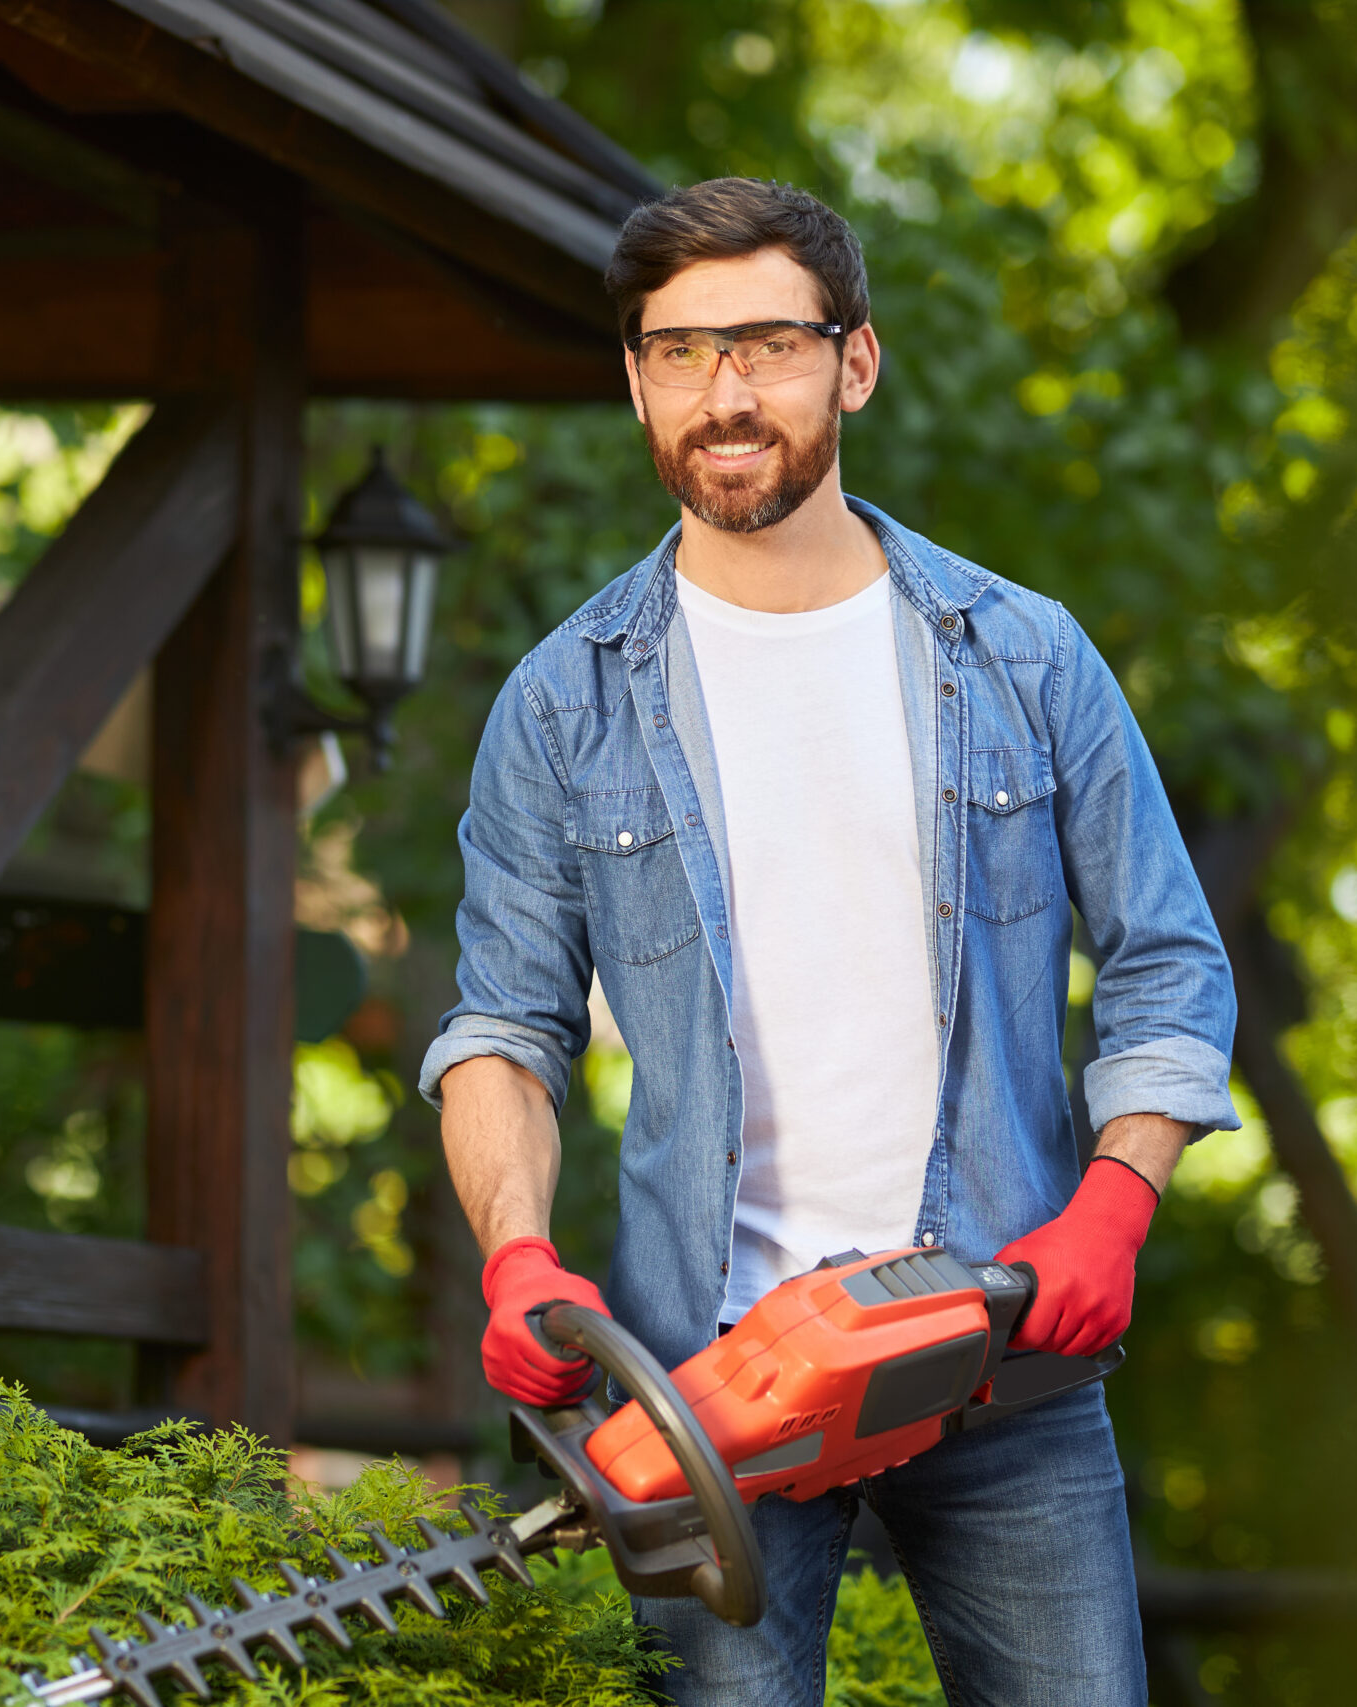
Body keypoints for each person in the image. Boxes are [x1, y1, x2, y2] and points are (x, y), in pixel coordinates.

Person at [419, 178, 1239, 1707]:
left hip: (1008, 1360)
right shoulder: (562, 703)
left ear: (854, 364)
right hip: (711, 1386)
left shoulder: (1021, 656)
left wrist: (1114, 1209)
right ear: (634, 380)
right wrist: (516, 1251)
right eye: (678, 353)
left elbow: (1167, 965)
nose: (724, 395)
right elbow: (504, 1029)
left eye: (769, 345)